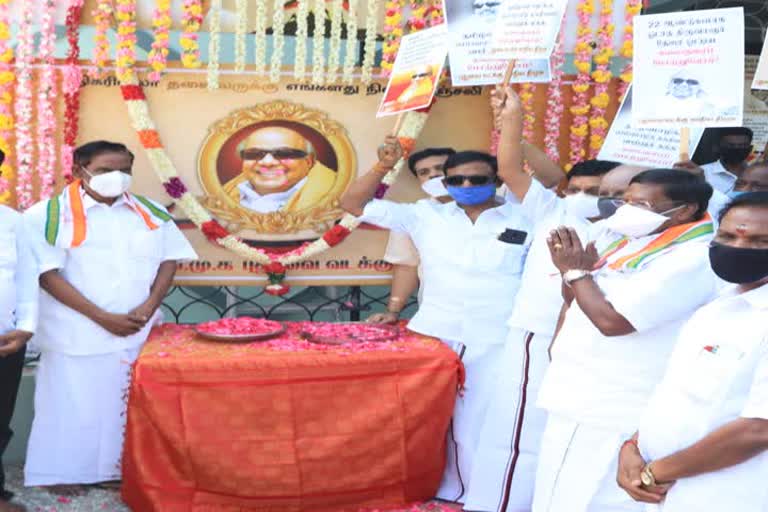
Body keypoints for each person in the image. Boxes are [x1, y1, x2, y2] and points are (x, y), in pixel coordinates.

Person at [460, 86, 625, 512]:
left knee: (561, 430)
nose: (587, 197)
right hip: (536, 332)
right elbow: (512, 166)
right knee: (518, 429)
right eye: (579, 188)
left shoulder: (627, 228)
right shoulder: (554, 212)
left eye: (600, 191)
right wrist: (511, 120)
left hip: (592, 343)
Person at [340, 138, 531, 505]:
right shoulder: (423, 214)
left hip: (498, 337)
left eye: (478, 180)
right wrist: (382, 167)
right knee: (427, 422)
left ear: (496, 180)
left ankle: (478, 496)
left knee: (482, 422)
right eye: (456, 181)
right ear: (445, 184)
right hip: (435, 336)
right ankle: (432, 490)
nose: (467, 187)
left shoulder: (524, 216)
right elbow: (351, 204)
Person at [532, 169, 719, 512]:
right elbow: (576, 295)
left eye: (642, 204)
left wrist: (575, 271)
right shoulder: (618, 235)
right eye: (627, 201)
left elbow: (614, 321)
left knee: (591, 499)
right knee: (553, 494)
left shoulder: (693, 258)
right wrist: (571, 272)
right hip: (576, 391)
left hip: (616, 405)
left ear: (684, 210)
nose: (628, 209)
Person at [23, 141, 198, 494]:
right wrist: (102, 318)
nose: (116, 178)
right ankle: (62, 473)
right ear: (79, 171)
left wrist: (149, 306)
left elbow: (169, 259)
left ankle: (115, 471)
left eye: (124, 170)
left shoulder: (148, 211)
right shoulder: (47, 214)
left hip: (135, 330)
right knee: (72, 405)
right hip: (77, 330)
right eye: (105, 170)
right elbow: (47, 274)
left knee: (121, 407)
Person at [618, 192, 768, 512]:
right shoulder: (717, 306)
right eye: (727, 236)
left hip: (729, 496)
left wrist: (653, 473)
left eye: (759, 241)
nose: (738, 247)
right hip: (668, 490)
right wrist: (633, 446)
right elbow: (678, 392)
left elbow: (758, 430)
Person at [367, 147, 455, 324]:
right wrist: (393, 311)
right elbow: (406, 266)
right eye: (424, 172)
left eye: (440, 168)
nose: (434, 175)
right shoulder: (413, 215)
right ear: (419, 181)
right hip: (440, 314)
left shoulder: (496, 205)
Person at [0, 148, 38, 512]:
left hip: (7, 340)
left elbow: (28, 278)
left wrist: (25, 329)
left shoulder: (14, 222)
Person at [223, 126, 337, 213]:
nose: (267, 163)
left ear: (308, 162)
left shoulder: (338, 199)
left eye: (283, 153)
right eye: (254, 154)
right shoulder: (225, 194)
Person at [700, 127, 754, 195]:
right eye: (730, 145)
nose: (736, 149)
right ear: (717, 147)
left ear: (750, 148)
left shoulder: (760, 174)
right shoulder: (702, 173)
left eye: (742, 146)